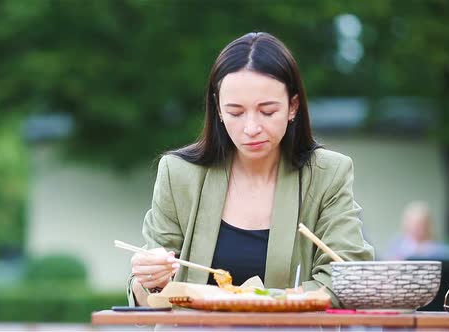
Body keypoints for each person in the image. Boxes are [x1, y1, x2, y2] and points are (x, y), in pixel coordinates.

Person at [127, 32, 374, 308]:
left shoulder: (327, 173)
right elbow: (151, 297)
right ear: (218, 109)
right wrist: (148, 279)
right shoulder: (179, 174)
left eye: (267, 111)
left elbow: (348, 276)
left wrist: (258, 301)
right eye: (235, 112)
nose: (251, 128)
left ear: (293, 106)